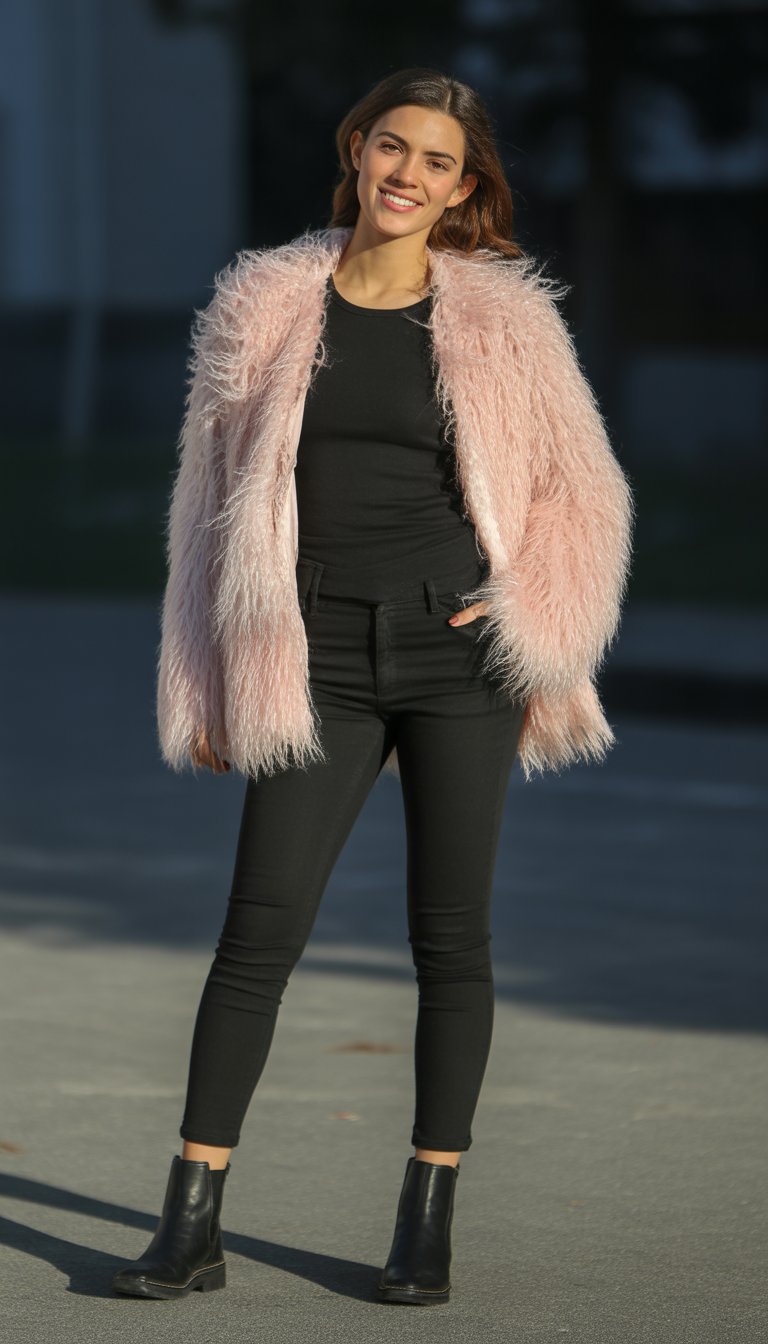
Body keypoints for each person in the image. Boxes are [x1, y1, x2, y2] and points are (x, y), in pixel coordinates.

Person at [111, 66, 634, 1306]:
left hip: (459, 658)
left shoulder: (507, 318)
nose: (408, 174)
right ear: (356, 151)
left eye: (437, 162)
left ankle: (427, 1219)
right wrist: (206, 680)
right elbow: (207, 508)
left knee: (450, 941)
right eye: (391, 147)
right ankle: (190, 1224)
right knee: (258, 935)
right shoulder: (267, 299)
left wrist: (520, 617)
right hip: (314, 656)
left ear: (464, 188)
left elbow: (584, 491)